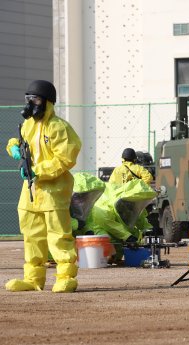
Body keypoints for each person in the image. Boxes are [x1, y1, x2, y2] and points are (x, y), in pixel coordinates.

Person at [5, 80, 82, 293]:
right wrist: (14, 149)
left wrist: (38, 170)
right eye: (28, 99)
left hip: (53, 192)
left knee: (59, 235)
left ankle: (66, 277)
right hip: (29, 192)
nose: (31, 104)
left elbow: (65, 158)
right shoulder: (28, 125)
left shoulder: (60, 128)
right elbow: (15, 141)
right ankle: (33, 279)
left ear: (47, 102)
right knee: (32, 236)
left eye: (35, 99)